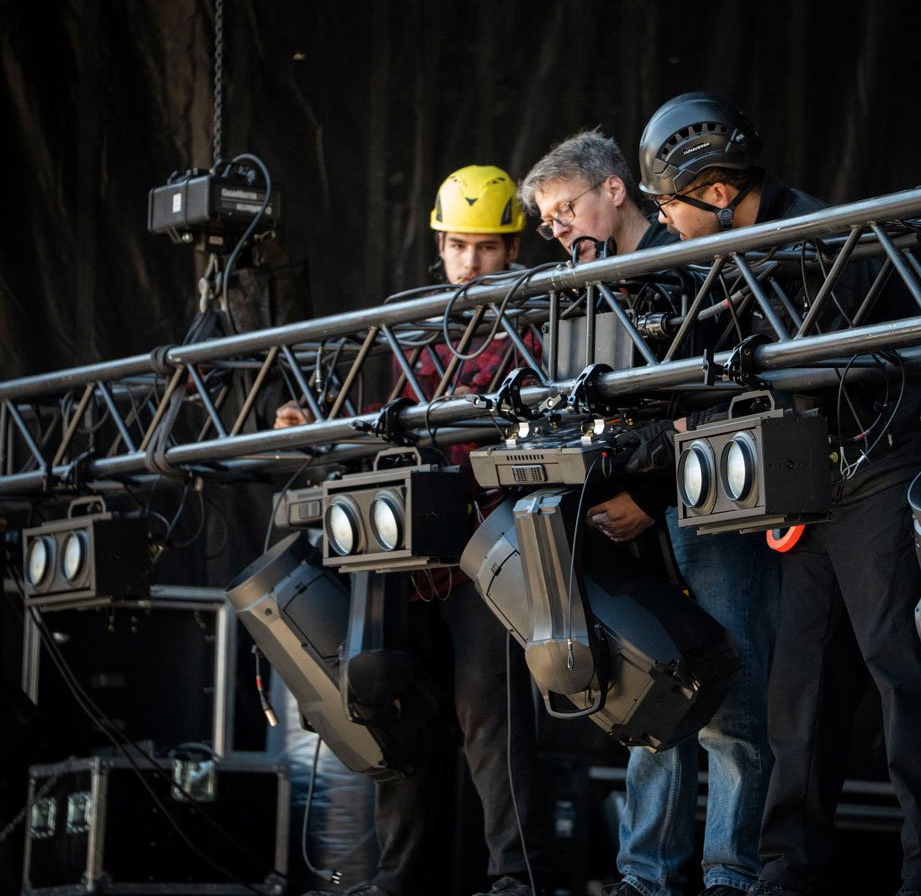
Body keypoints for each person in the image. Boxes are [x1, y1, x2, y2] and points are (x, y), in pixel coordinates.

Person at [638, 91, 921, 896]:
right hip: (812, 487)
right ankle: (787, 873)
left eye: (668, 204)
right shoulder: (721, 261)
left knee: (902, 671)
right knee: (802, 686)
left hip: (882, 466)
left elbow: (853, 367)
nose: (662, 222)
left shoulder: (823, 238)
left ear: (720, 192)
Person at [520, 129, 782, 896]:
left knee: (735, 697)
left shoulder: (695, 258)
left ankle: (731, 873)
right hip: (631, 518)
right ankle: (646, 876)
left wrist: (652, 496)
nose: (558, 230)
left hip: (710, 508)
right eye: (546, 221)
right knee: (648, 692)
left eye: (565, 210)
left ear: (614, 189)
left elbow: (729, 404)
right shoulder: (578, 289)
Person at [297, 165, 548, 896]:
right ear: (439, 246)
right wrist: (316, 427)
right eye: (458, 246)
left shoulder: (536, 321)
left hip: (485, 551)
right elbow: (374, 432)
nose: (471, 263)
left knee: (490, 722)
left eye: (487, 247)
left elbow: (550, 428)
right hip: (405, 555)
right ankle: (400, 881)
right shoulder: (406, 328)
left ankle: (515, 881)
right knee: (396, 716)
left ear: (512, 249)